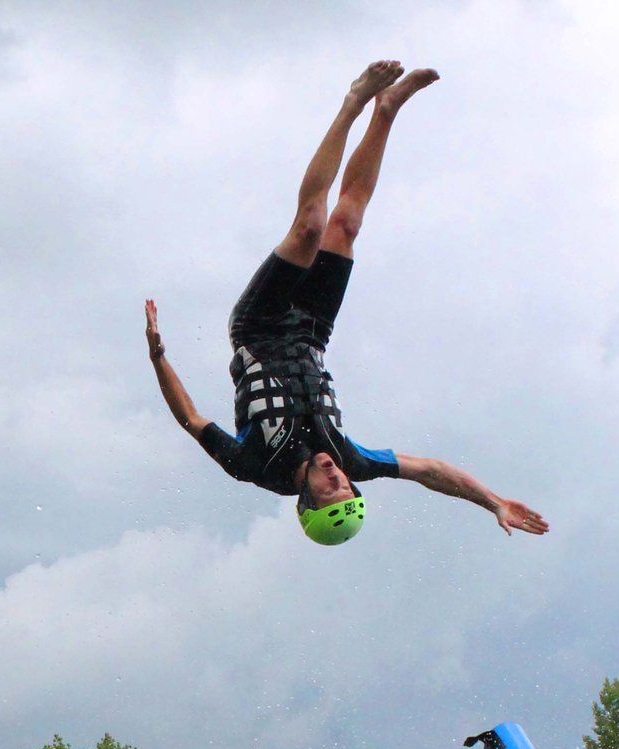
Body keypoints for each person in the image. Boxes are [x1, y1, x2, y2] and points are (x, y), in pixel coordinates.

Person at [146, 60, 548, 547]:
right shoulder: (353, 458)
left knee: (310, 227)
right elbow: (431, 470)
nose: (338, 478)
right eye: (345, 487)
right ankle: (387, 110)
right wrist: (494, 501)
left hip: (259, 326)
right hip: (314, 330)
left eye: (329, 490)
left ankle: (353, 102)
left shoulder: (253, 466)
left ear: (306, 502)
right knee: (346, 226)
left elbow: (190, 418)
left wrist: (158, 356)